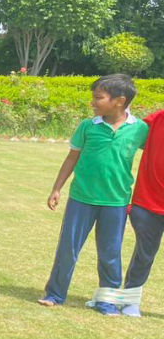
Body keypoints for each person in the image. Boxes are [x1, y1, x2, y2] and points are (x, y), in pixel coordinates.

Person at [39, 74, 147, 314]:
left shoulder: (139, 129)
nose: (93, 102)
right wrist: (57, 188)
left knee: (110, 253)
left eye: (99, 98)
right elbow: (71, 158)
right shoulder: (88, 126)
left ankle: (106, 301)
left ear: (119, 101)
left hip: (116, 202)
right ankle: (55, 294)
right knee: (68, 249)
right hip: (81, 199)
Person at [120, 108, 164, 316]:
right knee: (144, 256)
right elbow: (130, 133)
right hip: (148, 204)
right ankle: (129, 301)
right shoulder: (157, 119)